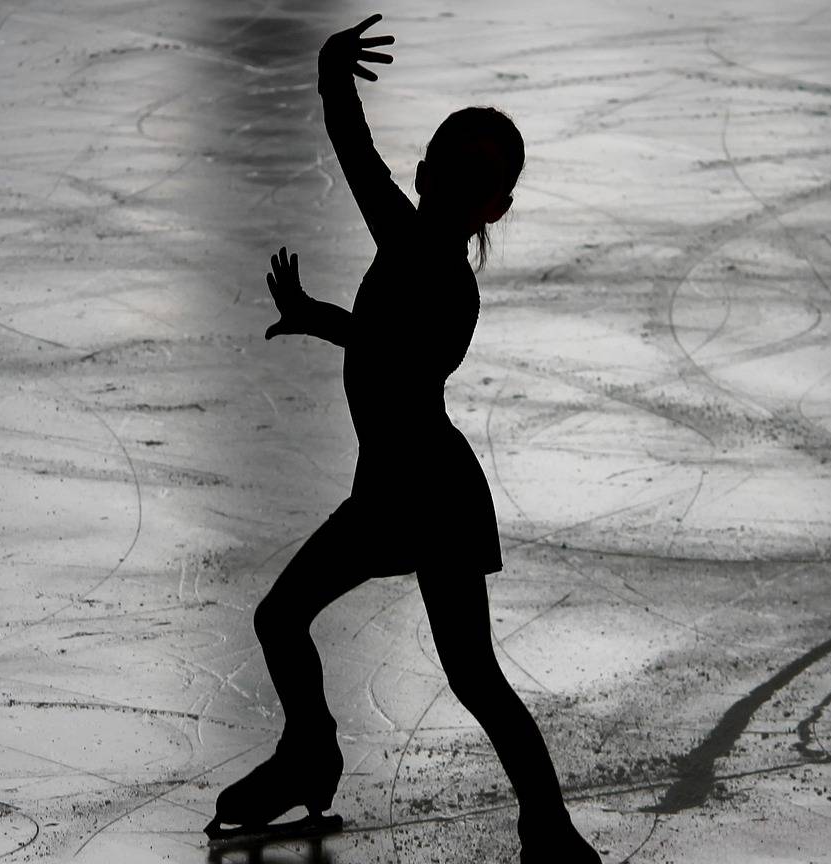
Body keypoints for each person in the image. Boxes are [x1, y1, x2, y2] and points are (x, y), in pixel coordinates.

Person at [207, 14, 601, 863]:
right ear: (428, 174)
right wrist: (323, 320)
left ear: (495, 205)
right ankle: (315, 756)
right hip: (400, 490)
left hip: (425, 496)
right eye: (451, 165)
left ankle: (546, 828)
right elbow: (390, 340)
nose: (461, 183)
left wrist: (332, 78)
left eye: (480, 178)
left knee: (463, 676)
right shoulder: (413, 242)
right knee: (291, 621)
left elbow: (398, 343)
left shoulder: (441, 273)